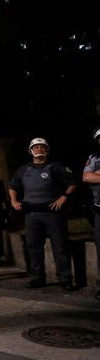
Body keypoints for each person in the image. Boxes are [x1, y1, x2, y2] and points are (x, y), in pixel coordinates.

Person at [9, 138, 76, 291]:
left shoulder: (56, 167)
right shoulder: (23, 169)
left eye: (42, 147)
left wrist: (63, 197)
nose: (39, 149)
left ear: (47, 150)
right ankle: (37, 278)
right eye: (36, 147)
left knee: (60, 247)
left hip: (53, 214)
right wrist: (14, 201)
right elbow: (12, 185)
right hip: (32, 215)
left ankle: (65, 280)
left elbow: (73, 182)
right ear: (30, 150)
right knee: (33, 247)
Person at [82, 128, 100, 299]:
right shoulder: (94, 158)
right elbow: (86, 178)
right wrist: (93, 174)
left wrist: (98, 174)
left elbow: (93, 176)